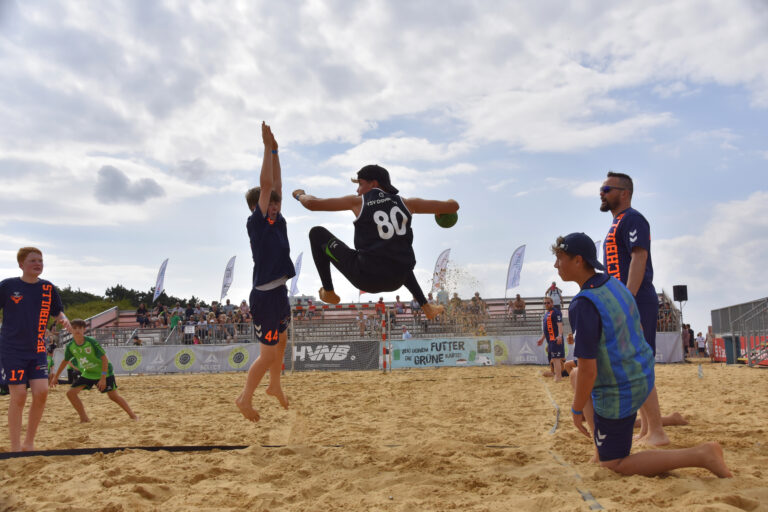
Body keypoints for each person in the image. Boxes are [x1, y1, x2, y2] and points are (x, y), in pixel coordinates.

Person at [554, 232, 731, 478]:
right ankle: (601, 447)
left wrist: (575, 413)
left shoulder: (583, 303)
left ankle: (702, 455)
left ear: (577, 260)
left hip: (620, 390)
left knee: (615, 464)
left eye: (560, 258)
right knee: (575, 376)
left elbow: (590, 370)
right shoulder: (613, 283)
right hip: (643, 376)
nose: (555, 265)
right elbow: (629, 331)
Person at [293, 164, 457, 320]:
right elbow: (453, 206)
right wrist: (444, 208)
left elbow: (311, 204)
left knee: (317, 233)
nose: (358, 190)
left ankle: (328, 290)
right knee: (396, 252)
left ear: (374, 183)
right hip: (397, 279)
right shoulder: (408, 203)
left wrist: (299, 194)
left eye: (360, 184)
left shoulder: (358, 202)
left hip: (366, 277)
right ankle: (426, 307)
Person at [600, 171, 674, 447]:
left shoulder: (632, 218)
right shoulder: (618, 222)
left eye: (607, 188)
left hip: (636, 300)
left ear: (624, 193)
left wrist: (627, 300)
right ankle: (647, 430)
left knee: (639, 364)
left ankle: (657, 430)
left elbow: (639, 256)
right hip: (627, 300)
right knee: (631, 365)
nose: (602, 192)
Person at [236, 122, 293, 422]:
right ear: (258, 206)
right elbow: (269, 185)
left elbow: (278, 187)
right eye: (270, 204)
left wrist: (276, 150)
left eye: (276, 205)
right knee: (268, 353)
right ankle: (244, 399)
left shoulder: (276, 220)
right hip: (264, 297)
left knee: (282, 343)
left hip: (279, 292)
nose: (275, 206)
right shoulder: (257, 223)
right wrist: (264, 149)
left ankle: (274, 386)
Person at [0, 247, 72, 451]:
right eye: (33, 260)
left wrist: (64, 320)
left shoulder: (48, 288)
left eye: (40, 260)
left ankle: (29, 442)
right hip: (11, 348)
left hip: (37, 348)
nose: (38, 263)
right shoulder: (7, 286)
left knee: (41, 393)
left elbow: (58, 312)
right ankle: (15, 447)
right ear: (21, 264)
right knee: (19, 395)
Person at [49, 319, 137, 422]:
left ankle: (133, 415)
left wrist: (103, 378)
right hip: (89, 373)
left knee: (113, 396)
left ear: (84, 330)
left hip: (104, 372)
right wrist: (55, 377)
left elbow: (104, 359)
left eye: (80, 328)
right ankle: (84, 418)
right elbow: (65, 361)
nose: (77, 330)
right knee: (70, 394)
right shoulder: (70, 346)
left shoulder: (91, 341)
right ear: (70, 330)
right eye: (75, 328)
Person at [537, 296, 565, 382]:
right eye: (545, 303)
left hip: (555, 339)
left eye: (548, 302)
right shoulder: (546, 315)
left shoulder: (556, 312)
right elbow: (546, 330)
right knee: (553, 359)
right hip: (550, 341)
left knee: (556, 359)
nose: (546, 304)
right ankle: (555, 374)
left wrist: (560, 336)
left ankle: (558, 377)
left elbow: (560, 325)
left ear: (552, 303)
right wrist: (542, 339)